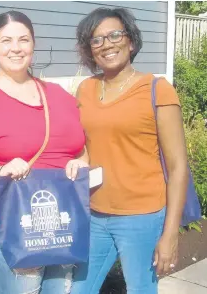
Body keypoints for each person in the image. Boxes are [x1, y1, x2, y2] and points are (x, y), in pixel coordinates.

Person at [0, 11, 89, 294]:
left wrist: (80, 164)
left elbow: (81, 150)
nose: (15, 47)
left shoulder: (59, 95)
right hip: (7, 227)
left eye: (23, 39)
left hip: (62, 225)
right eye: (6, 40)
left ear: (33, 44)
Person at [71, 8, 188, 294]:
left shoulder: (157, 89)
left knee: (140, 290)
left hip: (142, 217)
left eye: (114, 35)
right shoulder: (86, 89)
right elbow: (86, 146)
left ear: (131, 41)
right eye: (96, 40)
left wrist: (170, 234)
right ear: (90, 49)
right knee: (78, 289)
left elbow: (178, 167)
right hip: (96, 213)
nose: (107, 44)